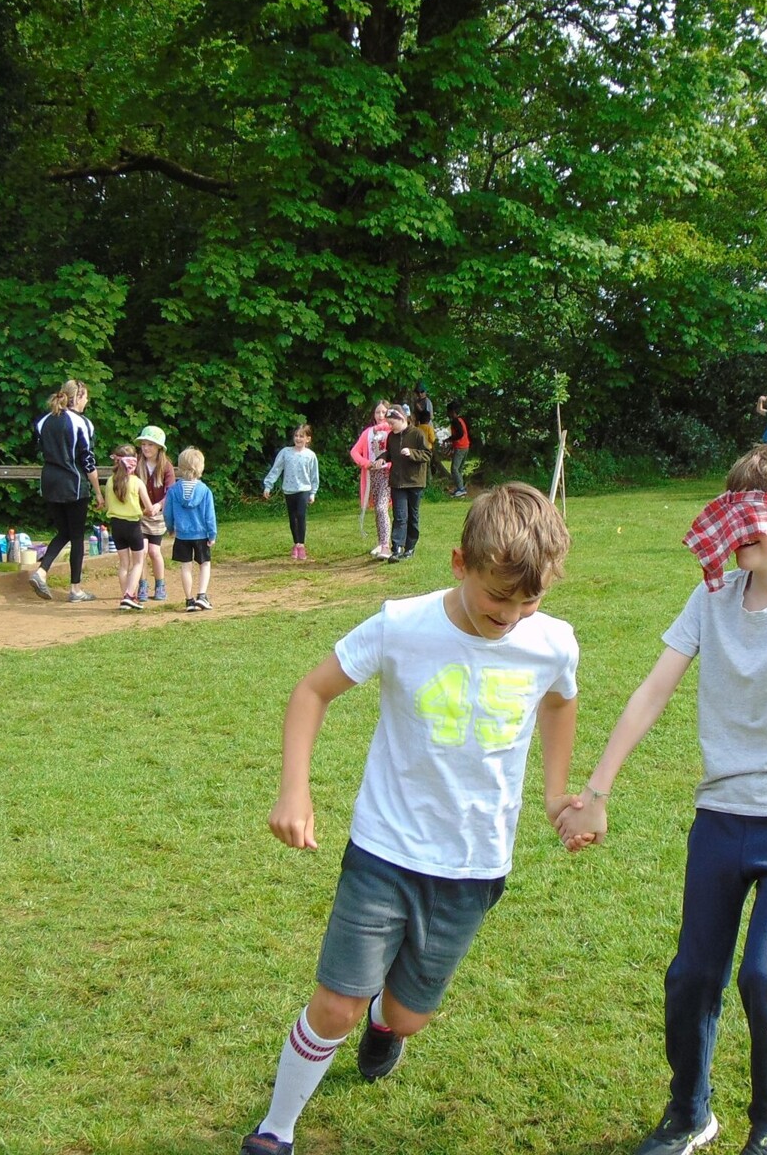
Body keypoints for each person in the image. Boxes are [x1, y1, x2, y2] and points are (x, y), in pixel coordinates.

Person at [240, 483, 581, 1155]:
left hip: (475, 863)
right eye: (497, 598)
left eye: (528, 601)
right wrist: (294, 790)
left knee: (407, 1015)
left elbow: (561, 703)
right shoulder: (403, 623)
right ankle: (275, 1130)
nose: (511, 615)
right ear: (460, 563)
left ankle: (384, 1022)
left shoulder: (553, 643)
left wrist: (554, 793)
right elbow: (312, 690)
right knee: (333, 1003)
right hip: (384, 850)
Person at [552, 445, 767, 1155]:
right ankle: (690, 1112)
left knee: (766, 977)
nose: (737, 525)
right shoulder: (712, 599)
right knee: (693, 976)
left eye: (756, 512)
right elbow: (651, 692)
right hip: (720, 818)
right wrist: (596, 792)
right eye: (731, 508)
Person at [32, 379, 99, 602]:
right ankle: (75, 589)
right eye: (86, 396)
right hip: (73, 483)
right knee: (77, 536)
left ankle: (41, 572)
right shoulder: (82, 423)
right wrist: (98, 491)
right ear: (78, 397)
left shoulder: (43, 421)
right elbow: (87, 461)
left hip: (49, 481)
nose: (87, 400)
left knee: (64, 532)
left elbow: (40, 447)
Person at [103, 443, 157, 611]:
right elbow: (149, 508)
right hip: (133, 526)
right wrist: (146, 511)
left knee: (124, 564)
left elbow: (106, 505)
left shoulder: (110, 481)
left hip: (116, 526)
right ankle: (129, 595)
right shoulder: (136, 482)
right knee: (139, 562)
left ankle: (127, 596)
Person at [166, 447, 218, 610]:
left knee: (185, 566)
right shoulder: (204, 491)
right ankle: (201, 595)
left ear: (180, 468)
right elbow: (210, 516)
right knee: (205, 564)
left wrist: (170, 528)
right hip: (201, 534)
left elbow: (167, 512)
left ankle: (189, 600)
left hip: (182, 535)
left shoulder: (174, 490)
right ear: (200, 467)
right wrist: (212, 534)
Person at [263, 424, 320, 561]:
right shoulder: (286, 452)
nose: (298, 438)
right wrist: (268, 486)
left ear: (308, 439)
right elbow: (276, 469)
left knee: (301, 515)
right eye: (296, 436)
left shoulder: (310, 455)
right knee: (292, 518)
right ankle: (295, 543)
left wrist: (312, 492)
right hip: (289, 490)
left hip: (303, 490)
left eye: (302, 436)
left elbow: (314, 476)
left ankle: (301, 545)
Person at [385, 404, 432, 562]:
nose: (390, 427)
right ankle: (397, 548)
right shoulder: (391, 436)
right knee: (399, 516)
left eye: (392, 423)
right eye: (389, 424)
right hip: (397, 482)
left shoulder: (417, 433)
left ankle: (410, 547)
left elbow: (427, 455)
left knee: (413, 516)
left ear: (401, 418)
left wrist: (412, 453)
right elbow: (389, 454)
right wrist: (381, 459)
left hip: (414, 482)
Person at [136, 426, 177, 602]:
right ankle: (142, 584)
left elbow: (170, 492)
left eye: (150, 445)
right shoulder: (137, 463)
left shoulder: (166, 466)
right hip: (139, 514)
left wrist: (158, 506)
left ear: (159, 447)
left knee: (154, 551)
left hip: (158, 516)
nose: (146, 448)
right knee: (141, 551)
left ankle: (160, 584)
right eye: (143, 444)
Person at [351, 402, 395, 560]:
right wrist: (366, 463)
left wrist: (388, 464)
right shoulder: (368, 433)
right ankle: (381, 541)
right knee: (378, 508)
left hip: (388, 475)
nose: (381, 415)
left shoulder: (393, 431)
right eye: (378, 412)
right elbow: (355, 452)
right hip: (372, 476)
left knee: (382, 508)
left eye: (384, 412)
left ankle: (386, 546)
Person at [446, 405, 473, 498]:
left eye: (448, 412)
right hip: (466, 446)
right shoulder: (461, 420)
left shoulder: (455, 421)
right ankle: (460, 488)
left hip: (460, 447)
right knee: (459, 469)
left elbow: (460, 434)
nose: (447, 414)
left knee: (454, 469)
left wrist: (450, 438)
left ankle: (461, 489)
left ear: (452, 412)